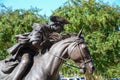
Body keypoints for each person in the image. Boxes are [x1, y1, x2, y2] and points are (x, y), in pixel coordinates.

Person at [4, 16, 69, 80]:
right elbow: (35, 42)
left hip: (37, 52)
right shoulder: (40, 27)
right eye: (61, 28)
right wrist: (44, 49)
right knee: (25, 61)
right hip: (27, 49)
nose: (61, 30)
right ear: (54, 25)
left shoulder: (53, 33)